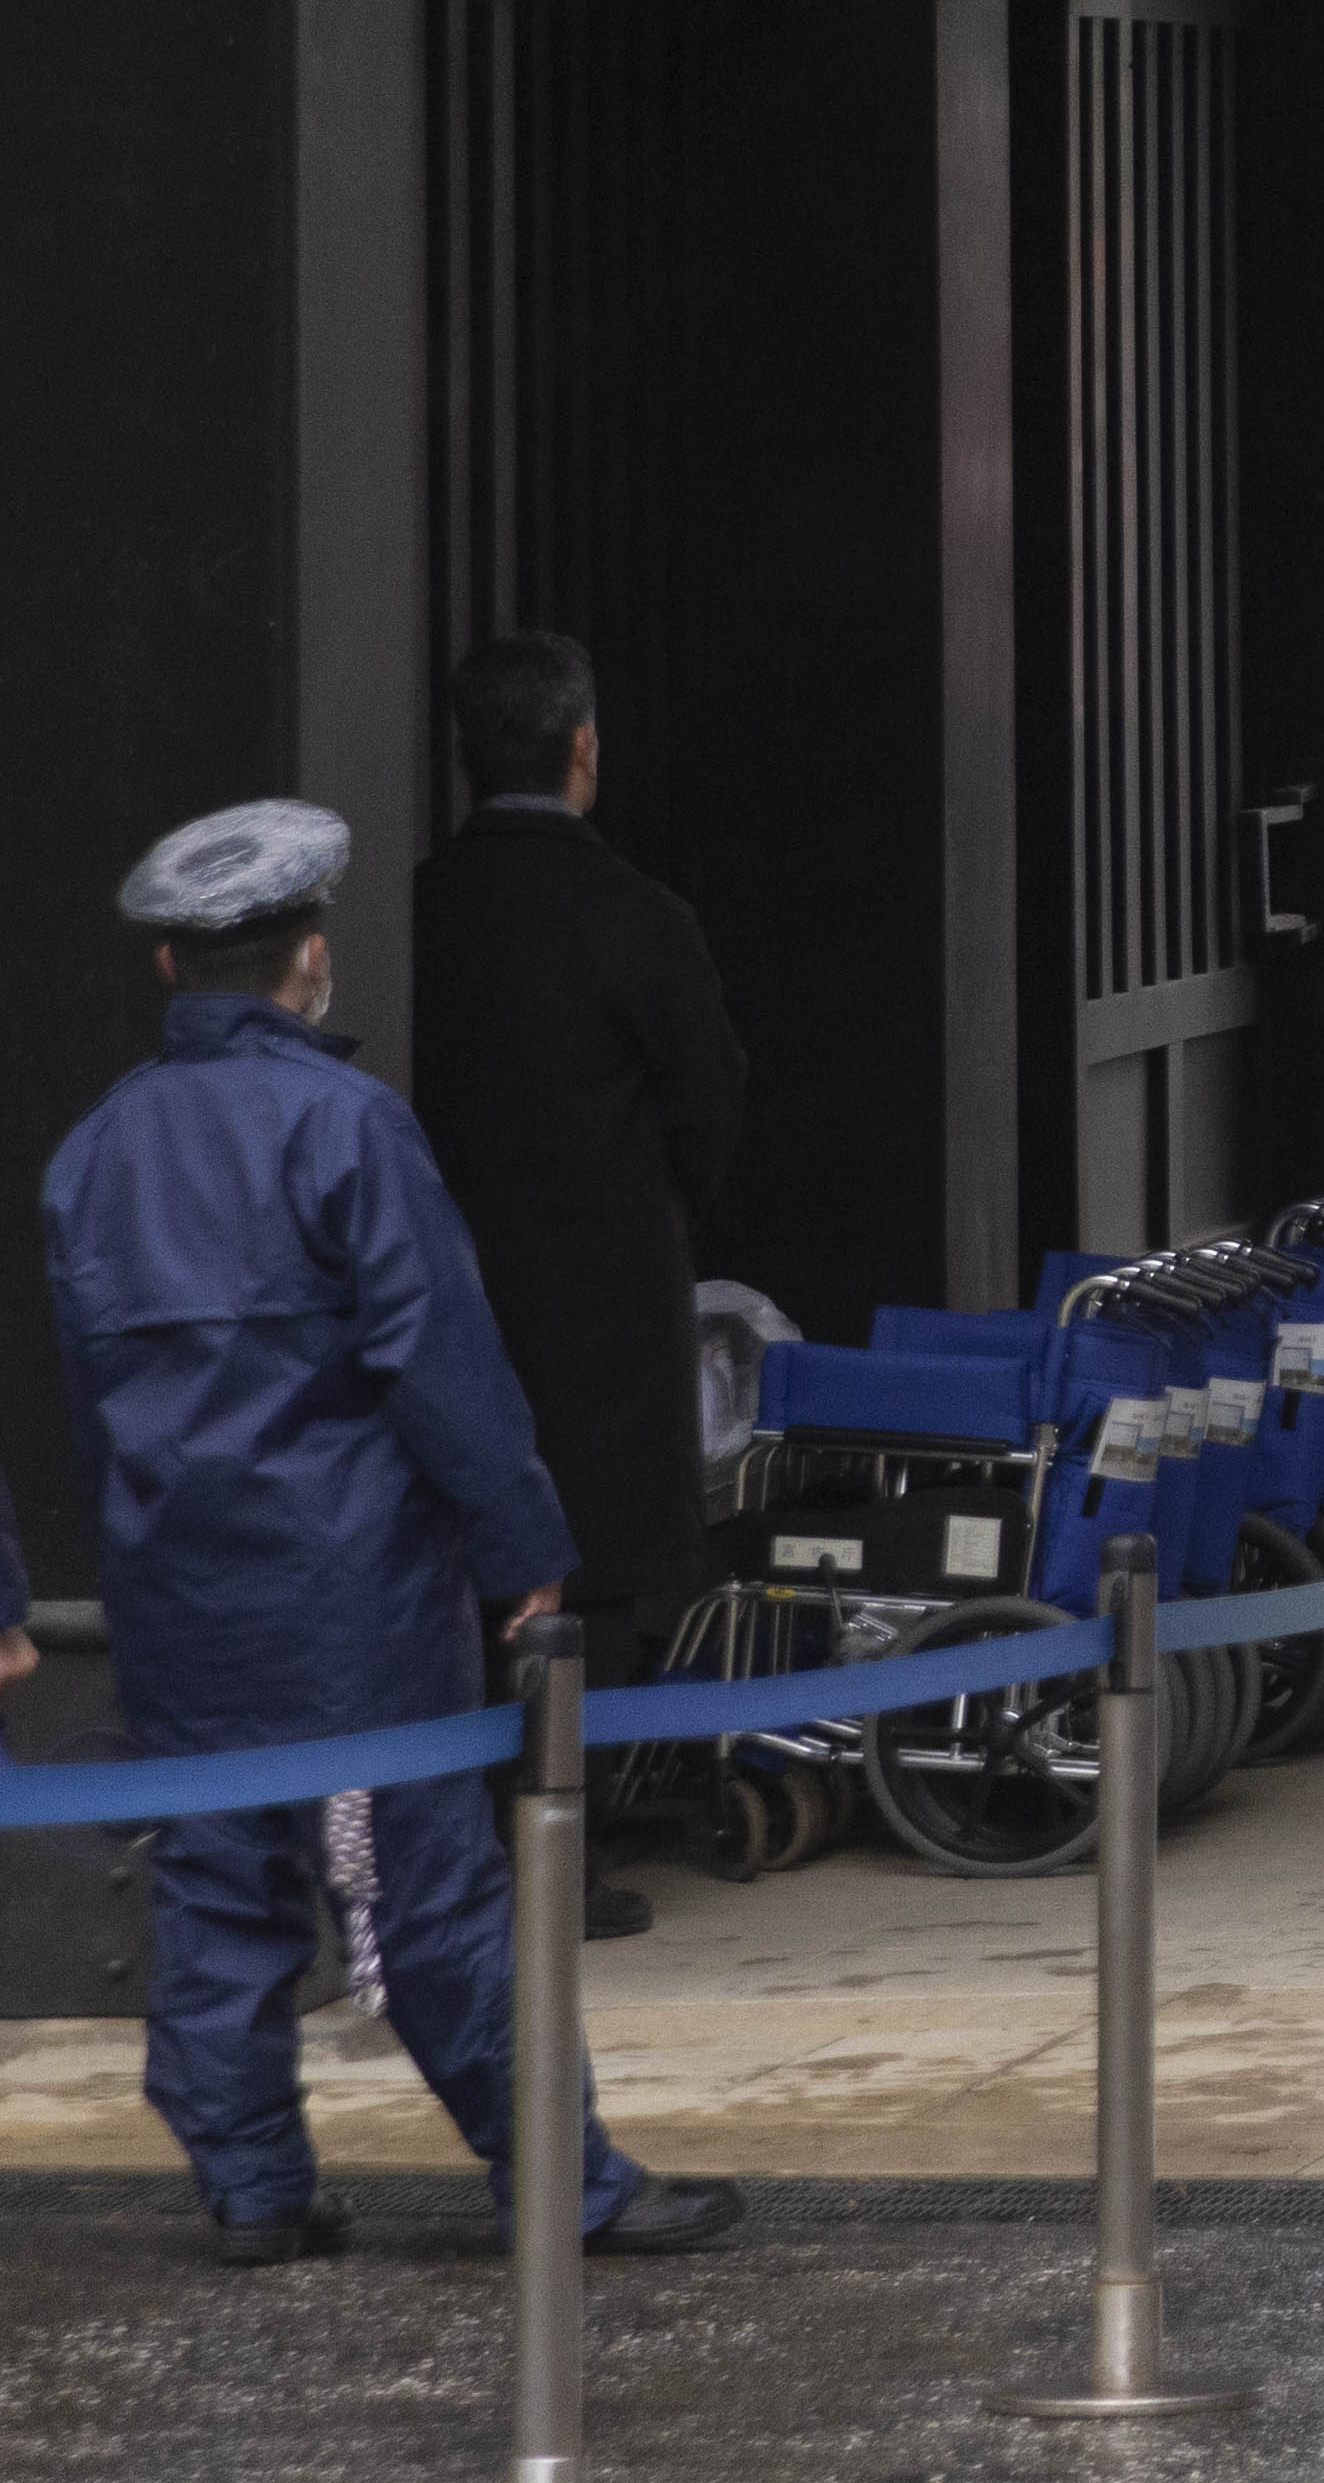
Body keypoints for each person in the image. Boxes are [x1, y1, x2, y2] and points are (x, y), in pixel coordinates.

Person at [33, 800, 727, 2266]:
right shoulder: (348, 1128)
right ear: (311, 957)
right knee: (422, 1903)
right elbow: (442, 1365)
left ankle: (252, 2192)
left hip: (174, 1589)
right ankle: (566, 2185)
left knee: (216, 1895)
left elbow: (96, 1399)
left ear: (169, 970)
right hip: (344, 1598)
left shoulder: (91, 1155)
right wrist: (521, 1548)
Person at [407, 631, 748, 1677]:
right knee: (598, 1555)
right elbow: (712, 1104)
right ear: (584, 747)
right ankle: (576, 1801)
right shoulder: (643, 918)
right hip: (606, 1290)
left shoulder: (422, 907)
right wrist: (648, 1208)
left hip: (443, 1282)